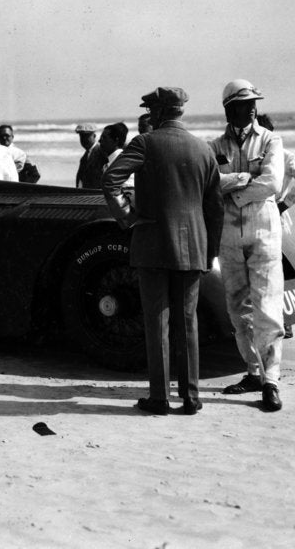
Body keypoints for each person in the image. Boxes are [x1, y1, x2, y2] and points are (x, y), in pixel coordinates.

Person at [102, 88, 223, 416]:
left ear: (157, 112)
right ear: (180, 111)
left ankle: (160, 398)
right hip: (193, 248)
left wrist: (127, 217)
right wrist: (210, 250)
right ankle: (191, 397)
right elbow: (215, 208)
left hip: (153, 244)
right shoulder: (204, 149)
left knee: (158, 322)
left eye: (150, 110)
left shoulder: (145, 143)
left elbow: (110, 179)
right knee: (188, 323)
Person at [208, 80, 286, 412]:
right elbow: (209, 183)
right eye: (244, 103)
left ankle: (271, 381)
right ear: (229, 109)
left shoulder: (271, 140)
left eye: (254, 101)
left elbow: (272, 183)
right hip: (229, 235)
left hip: (263, 232)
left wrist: (234, 188)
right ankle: (253, 372)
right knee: (237, 309)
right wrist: (243, 179)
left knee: (268, 307)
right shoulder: (213, 146)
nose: (251, 107)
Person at [256, 113, 295, 339]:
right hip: (269, 216)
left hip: (274, 216)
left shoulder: (282, 155)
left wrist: (284, 204)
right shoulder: (279, 155)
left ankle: (283, 322)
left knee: (275, 271)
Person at [75, 124, 104, 188]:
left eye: (87, 136)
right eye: (82, 137)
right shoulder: (84, 157)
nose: (84, 139)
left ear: (94, 136)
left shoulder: (101, 152)